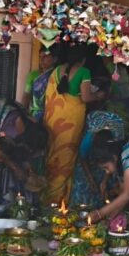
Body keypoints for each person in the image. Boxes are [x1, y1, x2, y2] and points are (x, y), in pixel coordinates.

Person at [43, 44, 104, 203]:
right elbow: (85, 97)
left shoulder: (56, 71)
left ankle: (47, 197)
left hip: (53, 121)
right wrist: (98, 95)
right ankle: (57, 200)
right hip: (70, 122)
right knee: (66, 158)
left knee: (52, 155)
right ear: (83, 60)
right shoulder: (84, 72)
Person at [0, 98, 49, 205]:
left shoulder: (28, 122)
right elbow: (0, 149)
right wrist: (15, 168)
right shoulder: (9, 131)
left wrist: (29, 170)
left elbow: (22, 153)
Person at [70, 97, 126, 209]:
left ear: (114, 157)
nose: (106, 170)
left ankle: (101, 208)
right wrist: (90, 179)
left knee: (109, 179)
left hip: (109, 143)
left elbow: (112, 162)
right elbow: (83, 157)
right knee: (82, 180)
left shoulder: (118, 141)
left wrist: (104, 181)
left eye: (106, 167)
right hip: (94, 142)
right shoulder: (88, 139)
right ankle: (80, 209)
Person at [22, 45, 60, 122]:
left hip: (54, 114)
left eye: (45, 56)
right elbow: (26, 95)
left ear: (55, 59)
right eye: (40, 57)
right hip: (35, 114)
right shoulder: (33, 75)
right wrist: (23, 114)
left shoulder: (58, 75)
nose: (41, 60)